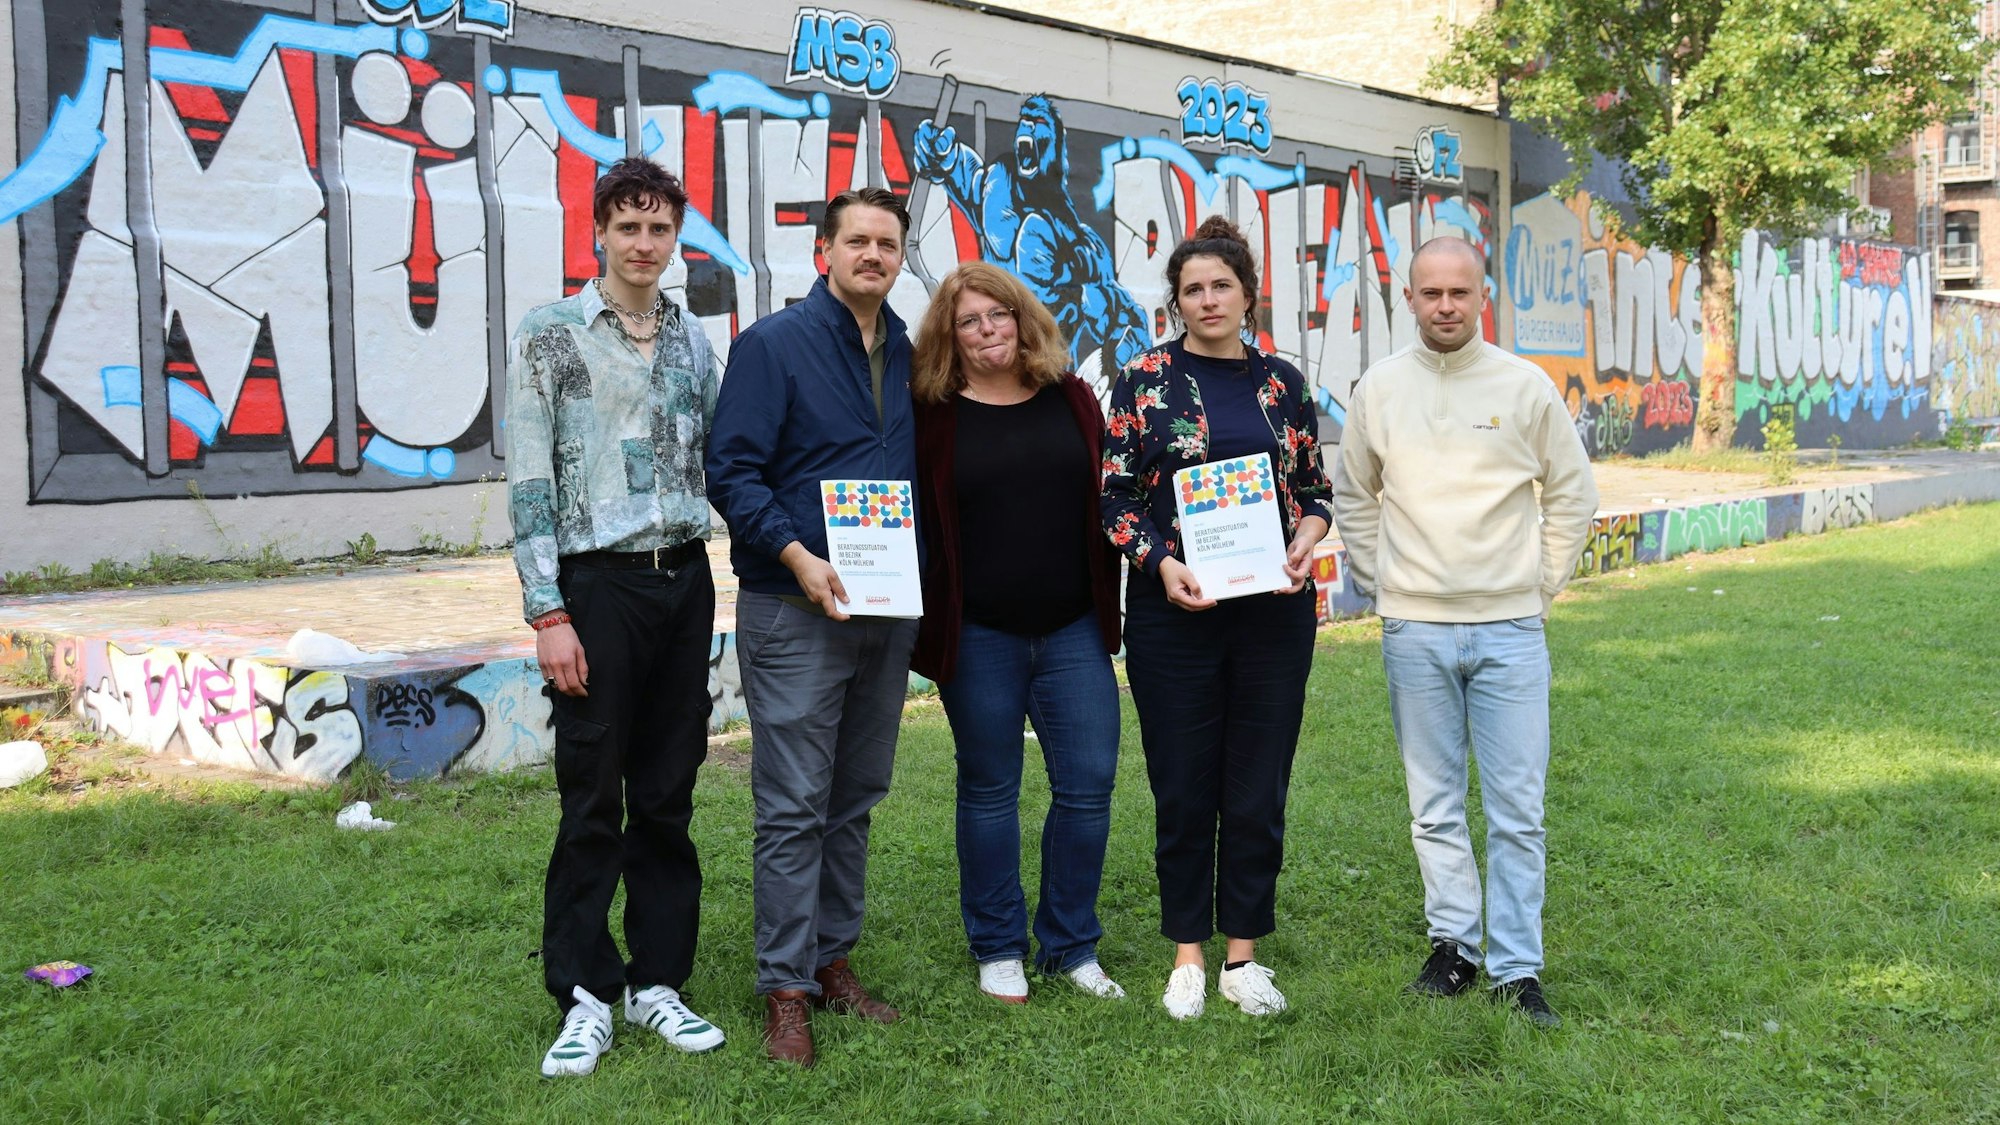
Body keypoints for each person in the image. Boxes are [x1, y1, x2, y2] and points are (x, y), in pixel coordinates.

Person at [1330, 235, 1598, 1030]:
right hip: (1416, 630)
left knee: (1518, 808)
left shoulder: (1523, 388)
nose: (1445, 305)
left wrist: (1538, 584)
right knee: (1435, 806)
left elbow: (1572, 495)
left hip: (1511, 629)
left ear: (1482, 296)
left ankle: (1517, 969)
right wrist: (1388, 582)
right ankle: (1456, 948)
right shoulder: (1380, 389)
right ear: (1409, 299)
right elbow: (1354, 494)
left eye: (1459, 292)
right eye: (1430, 293)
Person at [507, 157, 727, 1077]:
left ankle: (659, 982)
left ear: (676, 239)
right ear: (599, 230)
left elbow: (726, 454)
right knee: (594, 793)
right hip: (596, 588)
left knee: (669, 793)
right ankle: (586, 993)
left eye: (660, 229)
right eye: (629, 226)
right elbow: (528, 477)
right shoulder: (553, 333)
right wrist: (547, 608)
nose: (645, 244)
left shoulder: (690, 341)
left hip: (684, 580)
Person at [705, 186, 920, 1068]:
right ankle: (784, 990)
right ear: (822, 253)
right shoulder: (773, 347)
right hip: (797, 608)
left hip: (884, 609)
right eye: (858, 241)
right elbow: (732, 471)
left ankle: (834, 959)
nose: (874, 256)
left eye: (889, 244)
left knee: (856, 796)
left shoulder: (909, 350)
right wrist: (796, 554)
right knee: (793, 804)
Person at [1099, 215, 1332, 1021]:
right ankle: (1188, 954)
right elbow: (1114, 496)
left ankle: (1244, 955)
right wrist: (1162, 563)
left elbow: (1314, 492)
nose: (1207, 299)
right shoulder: (1141, 381)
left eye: (1221, 286)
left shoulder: (1284, 385)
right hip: (1174, 615)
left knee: (1258, 782)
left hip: (1272, 613)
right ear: (1177, 300)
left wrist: (1303, 540)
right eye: (1192, 288)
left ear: (1247, 294)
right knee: (1184, 783)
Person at [909, 262, 1126, 1005]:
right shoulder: (933, 413)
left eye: (996, 315)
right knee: (990, 787)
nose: (985, 330)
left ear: (1021, 318)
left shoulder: (1070, 397)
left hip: (1072, 629)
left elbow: (1116, 491)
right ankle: (997, 944)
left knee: (1089, 783)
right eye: (967, 322)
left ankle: (1070, 944)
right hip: (979, 636)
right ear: (950, 336)